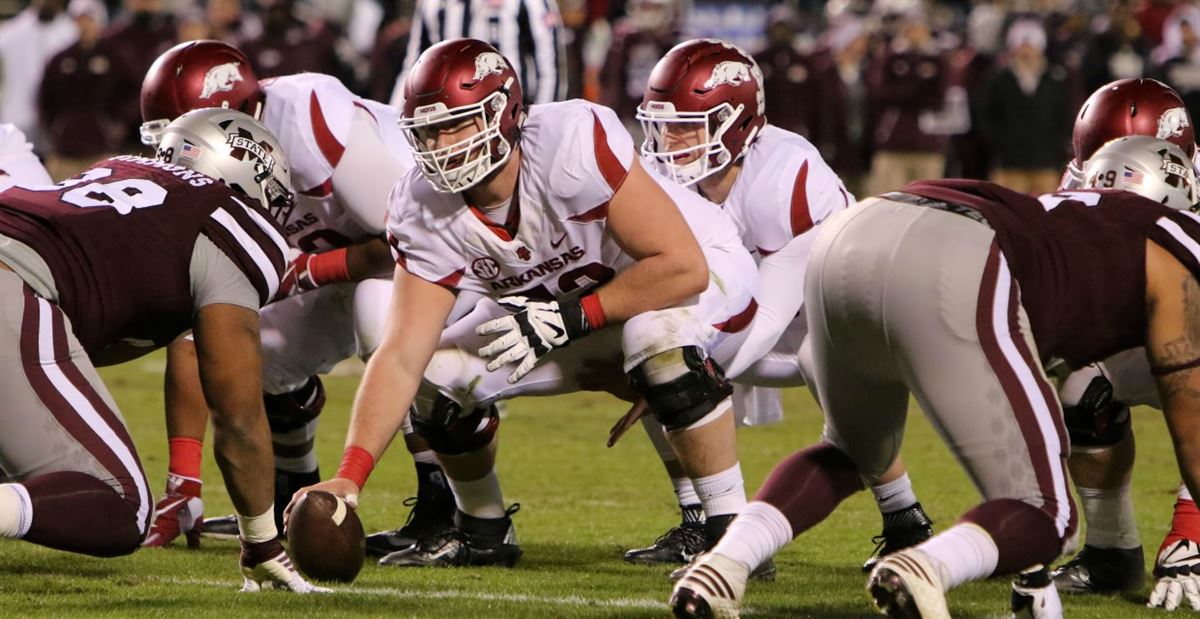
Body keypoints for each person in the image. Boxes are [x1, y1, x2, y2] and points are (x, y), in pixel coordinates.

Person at [670, 135, 1200, 618]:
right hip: (957, 252)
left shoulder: (1069, 220)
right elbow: (1190, 418)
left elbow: (1019, 401)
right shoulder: (1177, 244)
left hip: (856, 229)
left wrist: (1032, 578)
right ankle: (926, 567)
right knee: (1050, 512)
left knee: (853, 452)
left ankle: (726, 564)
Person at [289, 38, 760, 570]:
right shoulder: (420, 204)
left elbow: (682, 268)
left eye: (455, 124)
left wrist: (570, 318)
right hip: (563, 308)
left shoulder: (570, 144)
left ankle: (731, 535)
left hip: (691, 278)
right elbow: (399, 354)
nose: (440, 144)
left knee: (658, 344)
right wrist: (349, 479)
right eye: (427, 131)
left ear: (502, 112)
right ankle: (484, 527)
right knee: (437, 378)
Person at [626, 38, 932, 574]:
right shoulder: (669, 179)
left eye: (685, 126)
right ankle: (704, 518)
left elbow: (773, 306)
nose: (667, 141)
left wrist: (691, 373)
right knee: (655, 349)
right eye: (661, 125)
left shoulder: (785, 174)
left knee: (815, 373)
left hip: (834, 317)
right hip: (745, 308)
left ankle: (905, 517)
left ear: (738, 122)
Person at [0, 107, 321, 592]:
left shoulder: (118, 168)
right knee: (121, 503)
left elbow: (80, 332)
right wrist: (261, 540)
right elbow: (237, 414)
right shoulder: (231, 220)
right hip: (11, 282)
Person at [132, 40, 426, 547]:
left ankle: (448, 509)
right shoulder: (217, 161)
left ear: (233, 118)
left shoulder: (307, 118)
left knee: (382, 326)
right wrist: (184, 482)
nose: (175, 159)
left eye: (188, 139)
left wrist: (308, 270)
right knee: (236, 345)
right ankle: (291, 492)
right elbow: (191, 319)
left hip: (418, 267)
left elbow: (411, 241)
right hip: (337, 266)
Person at [388, 0, 566, 108]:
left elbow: (551, 70)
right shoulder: (432, 4)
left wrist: (538, 123)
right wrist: (395, 119)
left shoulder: (528, 3)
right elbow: (412, 68)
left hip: (511, 113)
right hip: (447, 117)